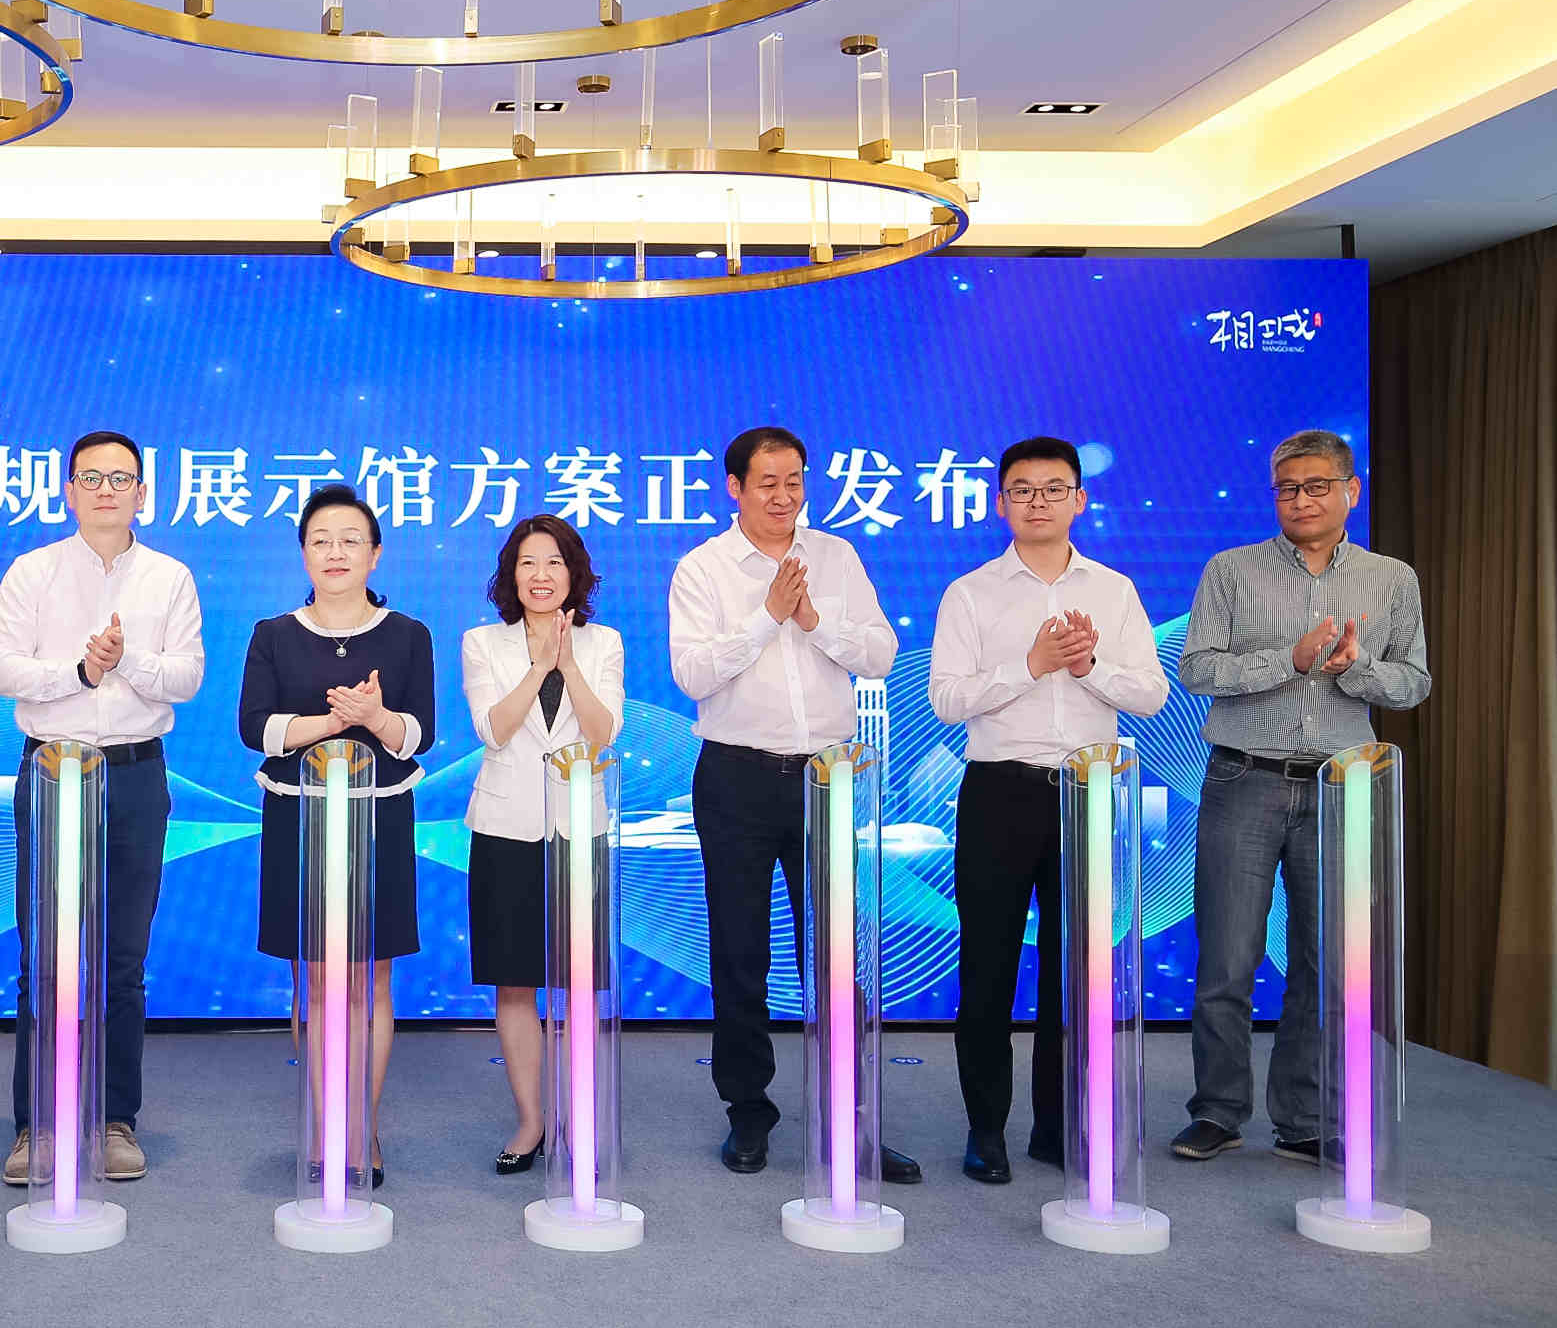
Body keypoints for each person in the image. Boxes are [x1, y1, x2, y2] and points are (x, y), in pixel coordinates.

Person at [667, 426, 919, 1182]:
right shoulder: (703, 567)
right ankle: (748, 1110)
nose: (784, 496)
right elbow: (692, 675)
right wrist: (767, 615)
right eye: (767, 483)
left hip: (828, 776)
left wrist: (813, 620)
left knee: (837, 955)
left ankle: (851, 1115)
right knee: (739, 952)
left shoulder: (835, 557)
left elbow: (880, 654)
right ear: (735, 488)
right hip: (736, 776)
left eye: (794, 481)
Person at [1172, 429, 1430, 1164]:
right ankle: (1217, 1110)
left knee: (1325, 963)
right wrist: (1287, 660)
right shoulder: (1231, 569)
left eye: (1317, 486)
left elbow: (1413, 683)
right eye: (1287, 488)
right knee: (1228, 957)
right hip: (1242, 777)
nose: (1300, 500)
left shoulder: (1391, 579)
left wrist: (1354, 670)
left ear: (1351, 490)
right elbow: (1196, 669)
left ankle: (1304, 1119)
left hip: (1340, 786)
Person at [928, 437, 1167, 1185]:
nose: (1038, 502)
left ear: (1079, 500)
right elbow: (946, 700)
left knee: (1075, 974)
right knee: (987, 968)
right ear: (1001, 502)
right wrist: (1028, 667)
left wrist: (1087, 666)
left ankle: (1057, 1127)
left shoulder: (1114, 591)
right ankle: (985, 1129)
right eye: (1023, 490)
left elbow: (1151, 695)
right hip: (998, 791)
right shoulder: (970, 593)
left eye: (1053, 488)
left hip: (1086, 793)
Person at [0, 431, 205, 1186]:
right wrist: (81, 671)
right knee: (45, 958)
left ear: (142, 492)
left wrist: (124, 660)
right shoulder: (32, 570)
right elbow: (2, 669)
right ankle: (35, 1124)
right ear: (68, 491)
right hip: (53, 770)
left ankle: (116, 1119)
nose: (106, 490)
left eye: (121, 478)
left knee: (122, 960)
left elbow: (187, 677)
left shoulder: (170, 576)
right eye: (91, 477)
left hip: (136, 776)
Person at [238, 484, 436, 1183]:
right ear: (302, 553)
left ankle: (363, 1129)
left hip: (379, 816)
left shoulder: (408, 635)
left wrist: (375, 718)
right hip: (299, 815)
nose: (336, 552)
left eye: (351, 539)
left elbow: (419, 734)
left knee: (369, 977)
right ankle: (326, 1128)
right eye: (321, 539)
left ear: (375, 554)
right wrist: (330, 723)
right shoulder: (273, 634)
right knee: (318, 980)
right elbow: (253, 727)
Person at [460, 514, 623, 1174]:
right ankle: (531, 1121)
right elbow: (493, 729)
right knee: (516, 983)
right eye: (527, 563)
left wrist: (569, 665)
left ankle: (578, 1118)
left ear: (573, 572)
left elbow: (602, 733)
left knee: (579, 987)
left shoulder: (604, 642)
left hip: (580, 828)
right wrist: (537, 667)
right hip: (507, 827)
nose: (541, 575)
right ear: (511, 575)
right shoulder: (482, 642)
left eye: (553, 562)